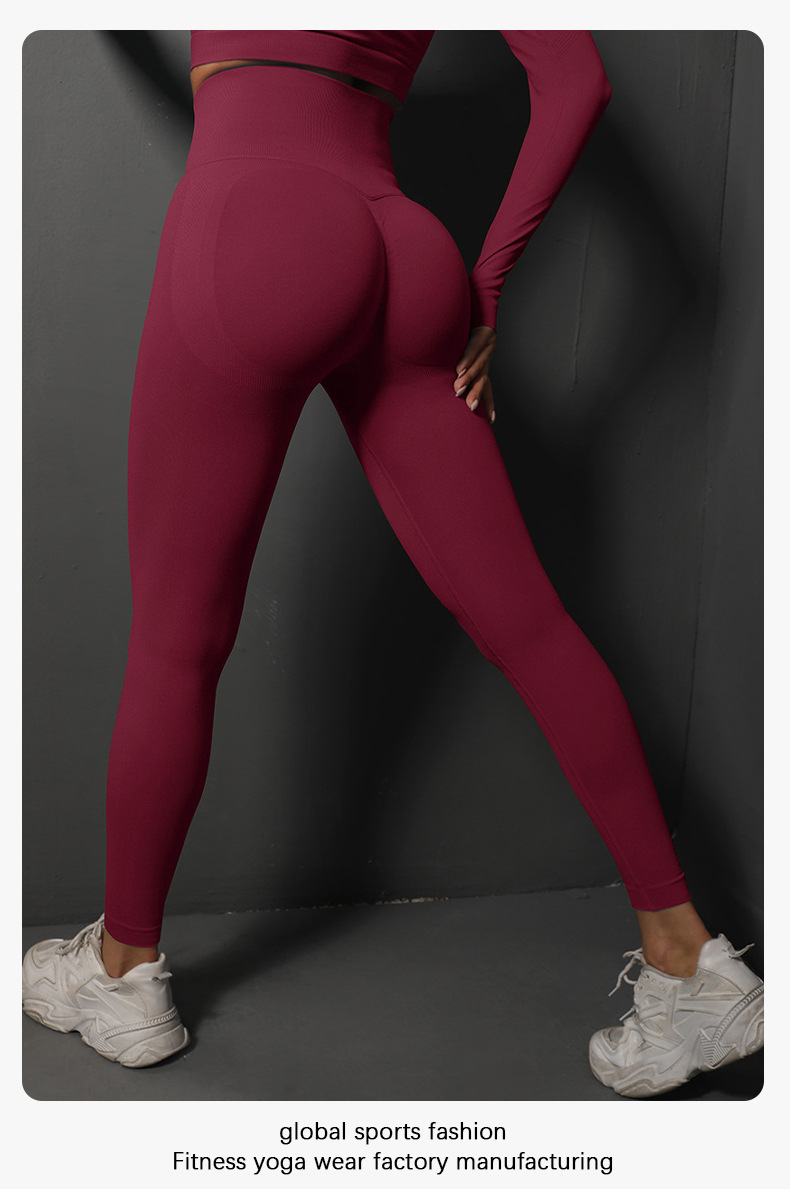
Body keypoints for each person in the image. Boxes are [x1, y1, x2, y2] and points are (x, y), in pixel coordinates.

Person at [22, 29, 763, 1096]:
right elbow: (577, 79)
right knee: (532, 623)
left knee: (178, 638)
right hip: (405, 248)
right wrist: (486, 283)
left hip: (253, 221)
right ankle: (690, 958)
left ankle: (122, 971)